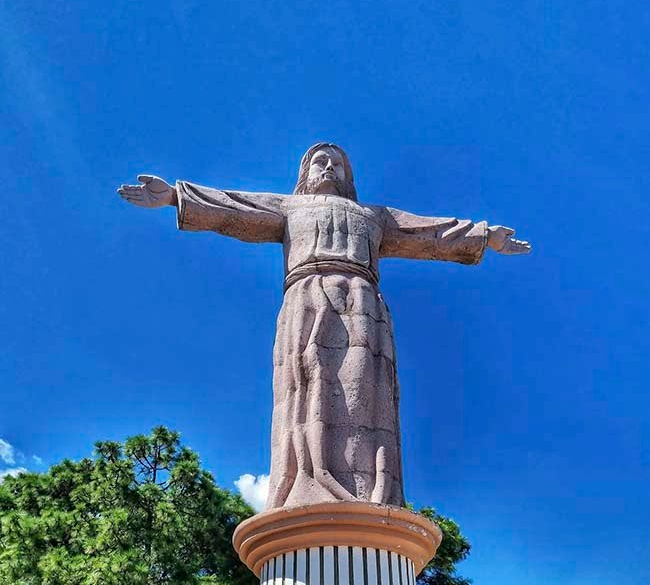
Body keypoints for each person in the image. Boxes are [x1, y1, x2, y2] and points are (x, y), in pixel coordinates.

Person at [118, 143, 530, 509]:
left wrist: (485, 236)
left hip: (363, 304)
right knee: (309, 382)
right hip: (307, 297)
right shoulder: (288, 207)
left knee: (367, 391)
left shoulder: (373, 216)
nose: (329, 167)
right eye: (320, 161)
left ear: (349, 177)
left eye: (338, 163)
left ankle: (374, 492)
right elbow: (234, 207)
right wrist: (174, 196)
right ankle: (308, 481)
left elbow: (431, 232)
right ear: (305, 173)